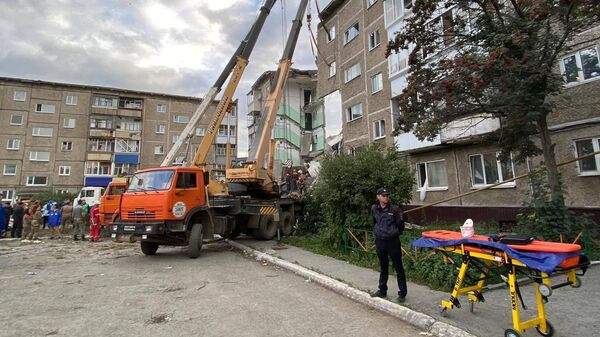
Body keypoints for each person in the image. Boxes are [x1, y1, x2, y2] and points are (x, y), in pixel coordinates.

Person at [370, 187, 407, 303]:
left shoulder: (395, 209)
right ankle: (382, 290)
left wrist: (394, 233)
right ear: (378, 197)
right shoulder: (374, 208)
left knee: (398, 266)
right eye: (384, 195)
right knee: (383, 266)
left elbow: (401, 226)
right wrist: (377, 233)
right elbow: (373, 222)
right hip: (380, 241)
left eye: (387, 195)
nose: (386, 197)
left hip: (393, 241)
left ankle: (402, 293)